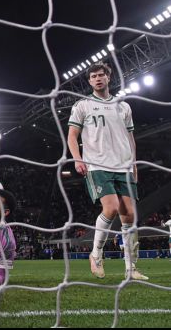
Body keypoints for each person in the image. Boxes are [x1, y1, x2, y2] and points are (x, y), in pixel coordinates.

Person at [67, 62, 147, 281]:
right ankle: (96, 255)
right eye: (93, 76)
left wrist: (134, 163)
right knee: (110, 208)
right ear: (90, 81)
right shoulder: (82, 105)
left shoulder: (123, 106)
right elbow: (72, 135)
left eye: (101, 75)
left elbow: (130, 138)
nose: (98, 78)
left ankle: (131, 270)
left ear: (108, 78)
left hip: (123, 165)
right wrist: (77, 158)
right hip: (97, 164)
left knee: (129, 215)